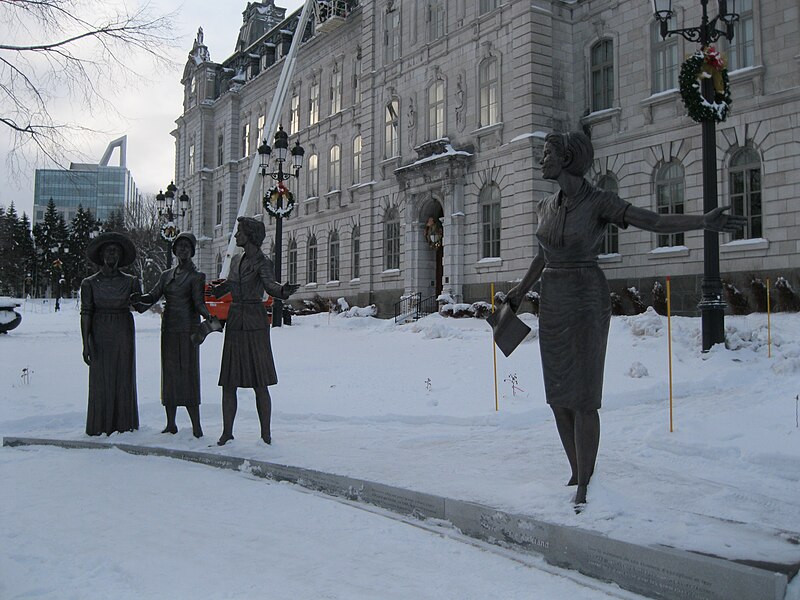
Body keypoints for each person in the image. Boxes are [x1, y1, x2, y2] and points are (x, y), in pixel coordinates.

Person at [505, 131, 745, 507]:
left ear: (567, 158)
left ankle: (586, 481)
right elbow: (543, 254)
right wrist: (521, 290)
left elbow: (650, 220)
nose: (542, 160)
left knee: (583, 395)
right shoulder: (545, 205)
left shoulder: (599, 201)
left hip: (586, 297)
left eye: (548, 153)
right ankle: (575, 470)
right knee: (558, 397)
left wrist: (703, 222)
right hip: (553, 300)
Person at [211, 216, 299, 446]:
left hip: (254, 322)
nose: (236, 235)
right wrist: (217, 289)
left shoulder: (262, 262)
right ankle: (227, 432)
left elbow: (270, 285)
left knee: (260, 381)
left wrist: (283, 291)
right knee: (228, 381)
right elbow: (231, 284)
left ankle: (265, 434)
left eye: (240, 231)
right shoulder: (237, 260)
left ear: (250, 235)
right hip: (235, 321)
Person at [131, 232, 216, 438]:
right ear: (175, 250)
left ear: (193, 251)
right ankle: (171, 423)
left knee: (188, 375)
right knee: (169, 375)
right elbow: (153, 296)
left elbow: (198, 303)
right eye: (180, 246)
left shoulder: (197, 277)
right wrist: (137, 297)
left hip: (188, 331)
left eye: (187, 246)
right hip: (168, 329)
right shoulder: (166, 275)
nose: (183, 249)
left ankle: (196, 426)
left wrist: (210, 316)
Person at [80, 232, 142, 436]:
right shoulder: (89, 283)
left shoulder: (131, 281)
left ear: (121, 256)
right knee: (100, 378)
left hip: (123, 329)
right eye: (108, 251)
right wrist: (86, 343)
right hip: (99, 330)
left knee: (123, 375)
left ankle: (124, 422)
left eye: (116, 251)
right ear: (101, 254)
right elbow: (86, 312)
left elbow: (140, 304)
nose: (112, 255)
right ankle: (100, 423)